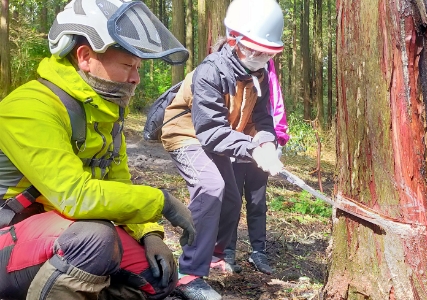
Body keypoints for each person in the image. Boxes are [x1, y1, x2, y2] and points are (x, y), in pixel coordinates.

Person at [0, 1, 195, 299]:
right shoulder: (30, 107)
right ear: (85, 56)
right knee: (95, 240)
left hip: (55, 234)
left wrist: (150, 233)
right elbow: (74, 196)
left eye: (138, 68)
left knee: (159, 277)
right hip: (10, 236)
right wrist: (163, 201)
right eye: (128, 65)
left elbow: (117, 187)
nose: (135, 78)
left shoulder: (104, 114)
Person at [158, 0, 285, 299]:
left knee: (230, 197)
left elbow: (262, 118)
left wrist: (266, 142)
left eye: (269, 53)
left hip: (223, 138)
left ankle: (213, 253)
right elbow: (210, 131)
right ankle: (189, 274)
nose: (262, 57)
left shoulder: (260, 75)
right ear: (234, 42)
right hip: (188, 135)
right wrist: (252, 149)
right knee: (211, 186)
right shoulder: (210, 72)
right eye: (256, 51)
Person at [224, 58, 290, 275]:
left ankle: (258, 251)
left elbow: (272, 107)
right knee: (231, 202)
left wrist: (274, 140)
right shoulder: (224, 71)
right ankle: (227, 252)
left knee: (257, 202)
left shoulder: (264, 69)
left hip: (260, 148)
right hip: (232, 148)